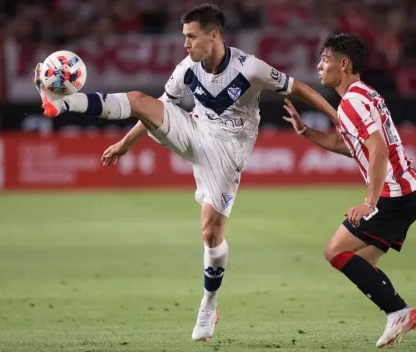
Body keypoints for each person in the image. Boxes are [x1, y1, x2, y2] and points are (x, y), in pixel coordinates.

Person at [34, 4, 337, 341]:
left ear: (214, 35)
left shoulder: (250, 68)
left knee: (210, 233)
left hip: (227, 152)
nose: (186, 44)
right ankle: (62, 103)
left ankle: (209, 302)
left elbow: (299, 88)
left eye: (192, 37)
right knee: (139, 99)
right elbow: (160, 106)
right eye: (184, 37)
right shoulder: (186, 69)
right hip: (194, 130)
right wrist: (125, 143)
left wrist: (337, 118)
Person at [283, 32, 416, 348]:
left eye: (325, 60)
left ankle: (398, 312)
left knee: (335, 251)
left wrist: (370, 202)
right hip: (407, 190)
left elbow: (379, 149)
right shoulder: (363, 96)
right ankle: (399, 313)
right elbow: (345, 145)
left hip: (393, 194)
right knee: (361, 263)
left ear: (343, 64)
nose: (319, 66)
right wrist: (305, 132)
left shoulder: (353, 103)